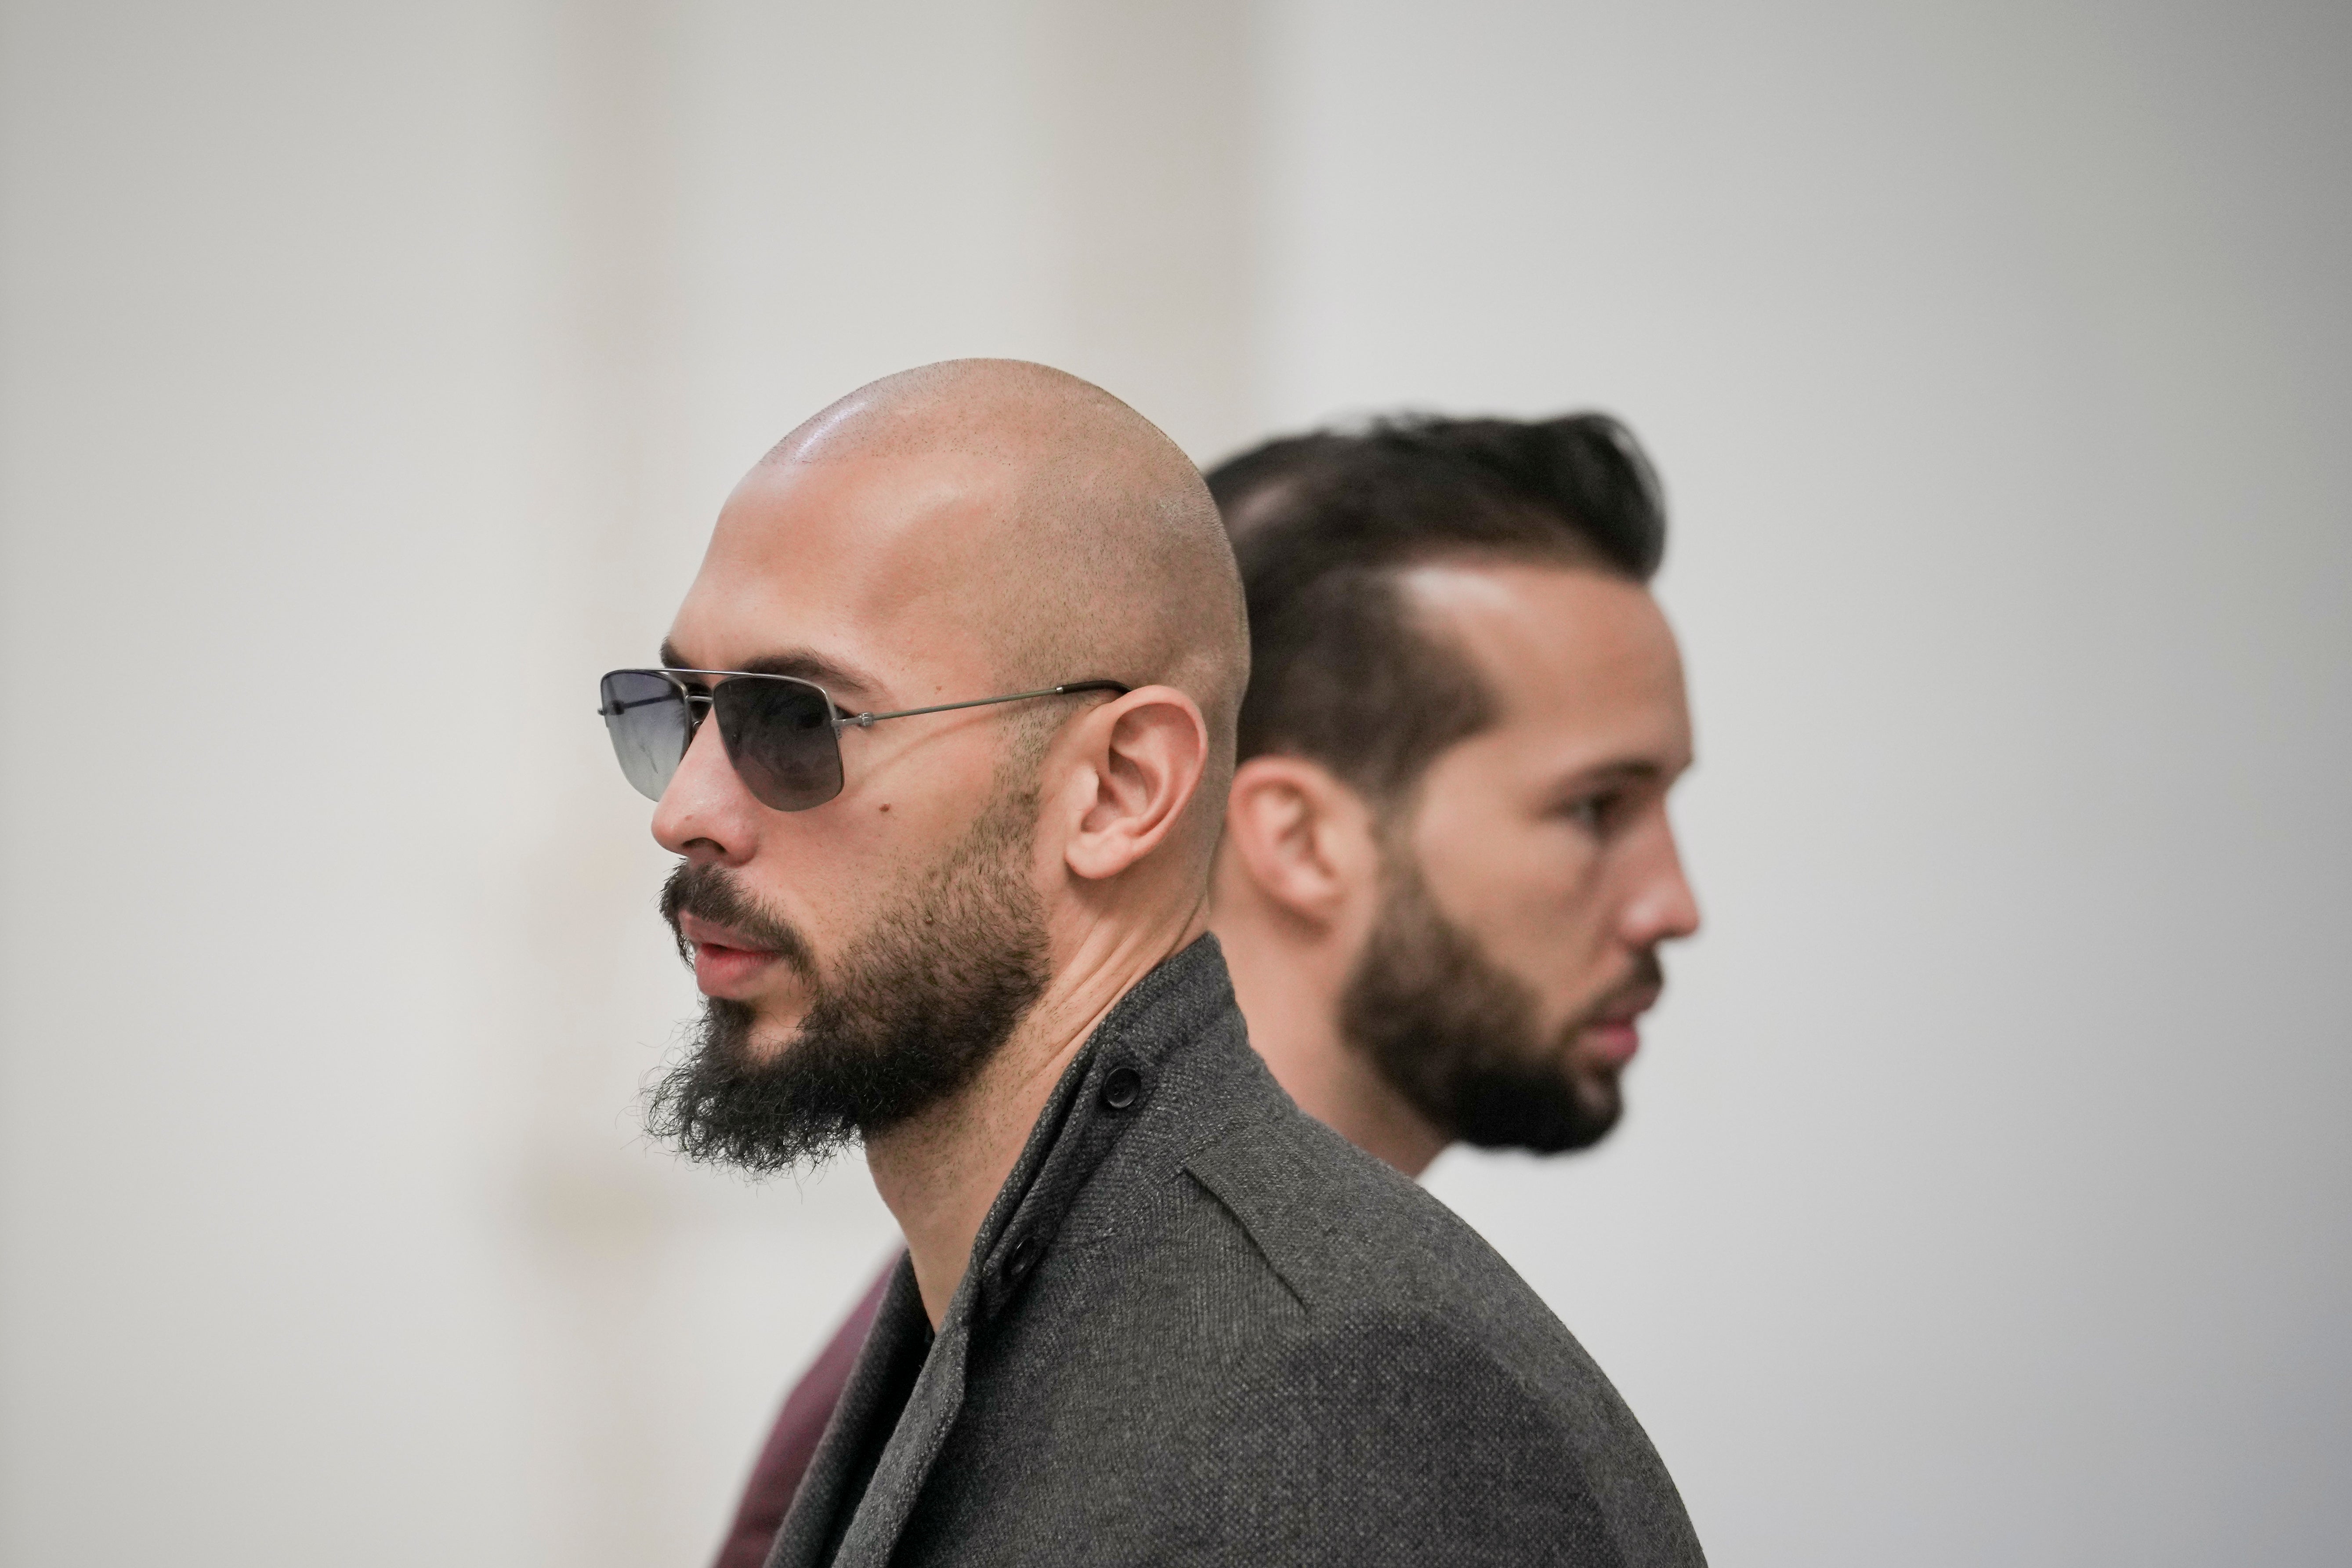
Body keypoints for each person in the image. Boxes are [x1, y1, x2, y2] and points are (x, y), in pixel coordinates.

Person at [612, 360, 1702, 1568]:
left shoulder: (1346, 1410)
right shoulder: (999, 1320)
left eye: (793, 715)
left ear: (1122, 788)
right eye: (680, 709)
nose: (687, 809)